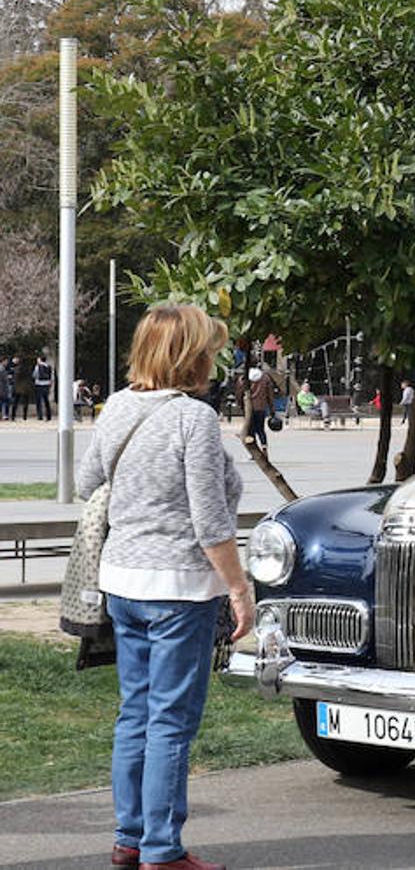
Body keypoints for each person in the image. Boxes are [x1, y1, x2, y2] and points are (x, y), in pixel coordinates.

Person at [76, 303, 255, 870]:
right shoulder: (192, 418)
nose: (213, 360)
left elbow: (86, 482)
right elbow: (210, 521)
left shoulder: (119, 406)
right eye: (208, 350)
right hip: (178, 589)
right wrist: (240, 588)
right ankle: (161, 849)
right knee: (171, 721)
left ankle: (130, 838)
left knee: (136, 713)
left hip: (123, 582)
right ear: (190, 357)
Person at [242, 366, 278, 452]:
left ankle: (254, 452)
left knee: (250, 431)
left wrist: (241, 405)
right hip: (261, 407)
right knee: (261, 430)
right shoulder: (265, 378)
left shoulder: (244, 377)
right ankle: (264, 447)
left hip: (249, 407)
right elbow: (270, 395)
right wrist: (272, 409)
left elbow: (240, 392)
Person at [33, 352, 54, 421]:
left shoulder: (37, 366)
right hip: (47, 384)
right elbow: (52, 377)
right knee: (46, 400)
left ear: (40, 360)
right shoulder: (49, 366)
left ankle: (40, 416)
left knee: (39, 401)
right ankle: (48, 415)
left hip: (39, 384)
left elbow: (34, 375)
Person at [0, 356, 15, 420]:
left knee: (4, 401)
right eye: (6, 361)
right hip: (2, 387)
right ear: (3, 361)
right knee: (5, 401)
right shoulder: (1, 368)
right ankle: (4, 415)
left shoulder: (3, 368)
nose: (7, 362)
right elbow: (3, 379)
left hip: (3, 387)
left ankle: (4, 415)